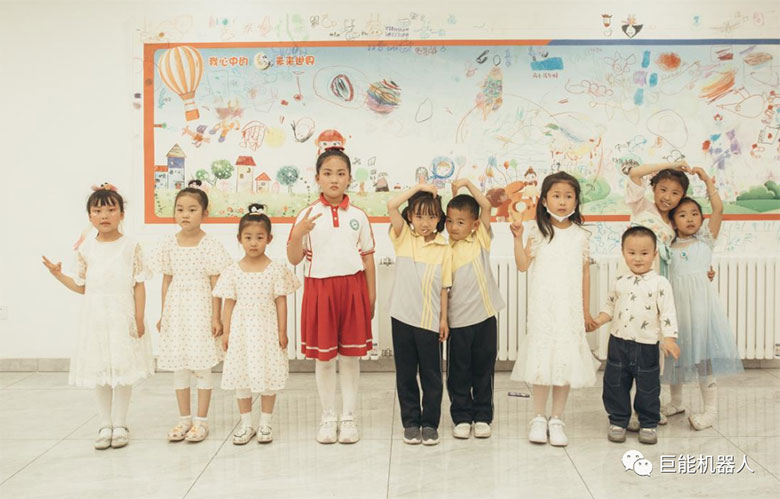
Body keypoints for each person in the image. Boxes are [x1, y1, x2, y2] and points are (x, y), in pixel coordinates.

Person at [42, 185, 153, 449]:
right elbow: (82, 286)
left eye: (111, 210)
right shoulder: (86, 249)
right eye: (98, 210)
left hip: (123, 315)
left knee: (123, 370)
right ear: (90, 216)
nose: (105, 215)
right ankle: (105, 424)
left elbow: (138, 284)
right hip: (96, 317)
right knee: (101, 370)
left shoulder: (131, 246)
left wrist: (138, 318)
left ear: (122, 214)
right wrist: (58, 275)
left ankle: (120, 424)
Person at [287, 148, 376, 444]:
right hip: (319, 291)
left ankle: (348, 417)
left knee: (350, 358)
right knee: (324, 359)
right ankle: (328, 417)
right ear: (317, 178)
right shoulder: (307, 215)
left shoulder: (359, 216)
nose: (334, 179)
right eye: (327, 173)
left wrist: (371, 296)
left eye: (340, 173)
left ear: (349, 178)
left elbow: (368, 258)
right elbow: (294, 258)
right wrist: (298, 234)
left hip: (353, 289)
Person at [510, 172, 598, 447]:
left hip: (569, 310)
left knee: (564, 360)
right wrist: (517, 238)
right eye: (556, 196)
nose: (562, 202)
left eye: (568, 196)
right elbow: (522, 265)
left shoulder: (581, 235)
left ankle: (557, 418)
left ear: (576, 201)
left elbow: (585, 274)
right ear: (545, 200)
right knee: (542, 359)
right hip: (544, 309)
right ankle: (538, 417)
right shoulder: (538, 232)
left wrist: (585, 311)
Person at [662, 168, 743, 430]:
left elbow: (718, 209)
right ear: (673, 221)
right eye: (682, 215)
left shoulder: (705, 241)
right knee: (675, 355)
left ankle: (710, 410)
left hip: (701, 310)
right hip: (677, 309)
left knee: (703, 358)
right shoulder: (667, 246)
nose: (690, 219)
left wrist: (707, 181)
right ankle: (676, 401)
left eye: (695, 214)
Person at [214, 204, 300, 444]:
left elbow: (281, 302)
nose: (254, 243)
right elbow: (228, 303)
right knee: (242, 377)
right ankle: (246, 424)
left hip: (266, 331)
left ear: (269, 239)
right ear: (239, 239)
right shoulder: (232, 271)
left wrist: (282, 331)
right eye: (248, 237)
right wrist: (226, 332)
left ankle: (265, 423)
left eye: (259, 237)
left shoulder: (276, 270)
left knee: (268, 375)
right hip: (241, 332)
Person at [153, 186, 232, 443]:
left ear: (204, 213)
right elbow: (167, 280)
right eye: (180, 209)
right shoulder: (169, 244)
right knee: (180, 367)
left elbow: (216, 283)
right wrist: (164, 314)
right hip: (177, 310)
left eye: (192, 209)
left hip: (200, 308)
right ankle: (184, 419)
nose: (185, 214)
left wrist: (216, 317)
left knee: (201, 367)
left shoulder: (210, 245)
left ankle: (201, 421)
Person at [591, 226, 681, 445]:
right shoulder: (620, 281)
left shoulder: (660, 284)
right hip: (618, 343)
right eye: (632, 253)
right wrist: (598, 321)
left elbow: (667, 312)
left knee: (648, 386)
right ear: (623, 253)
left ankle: (648, 422)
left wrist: (669, 339)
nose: (638, 258)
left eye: (644, 253)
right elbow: (610, 307)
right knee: (615, 383)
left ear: (654, 254)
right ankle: (618, 420)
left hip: (646, 345)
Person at [387, 184, 452, 445]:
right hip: (402, 317)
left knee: (432, 375)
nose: (425, 222)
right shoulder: (403, 237)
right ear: (410, 217)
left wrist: (443, 319)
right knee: (405, 374)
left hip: (429, 320)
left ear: (439, 219)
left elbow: (445, 287)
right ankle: (411, 422)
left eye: (432, 216)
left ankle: (430, 423)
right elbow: (392, 205)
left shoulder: (444, 248)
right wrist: (420, 188)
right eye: (419, 216)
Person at [445, 179, 505, 439]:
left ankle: (482, 416)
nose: (453, 227)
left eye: (460, 222)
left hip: (485, 318)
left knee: (483, 370)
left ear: (474, 224)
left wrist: (467, 184)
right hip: (458, 322)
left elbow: (486, 206)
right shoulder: (444, 248)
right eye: (449, 221)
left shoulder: (480, 240)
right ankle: (461, 416)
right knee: (458, 372)